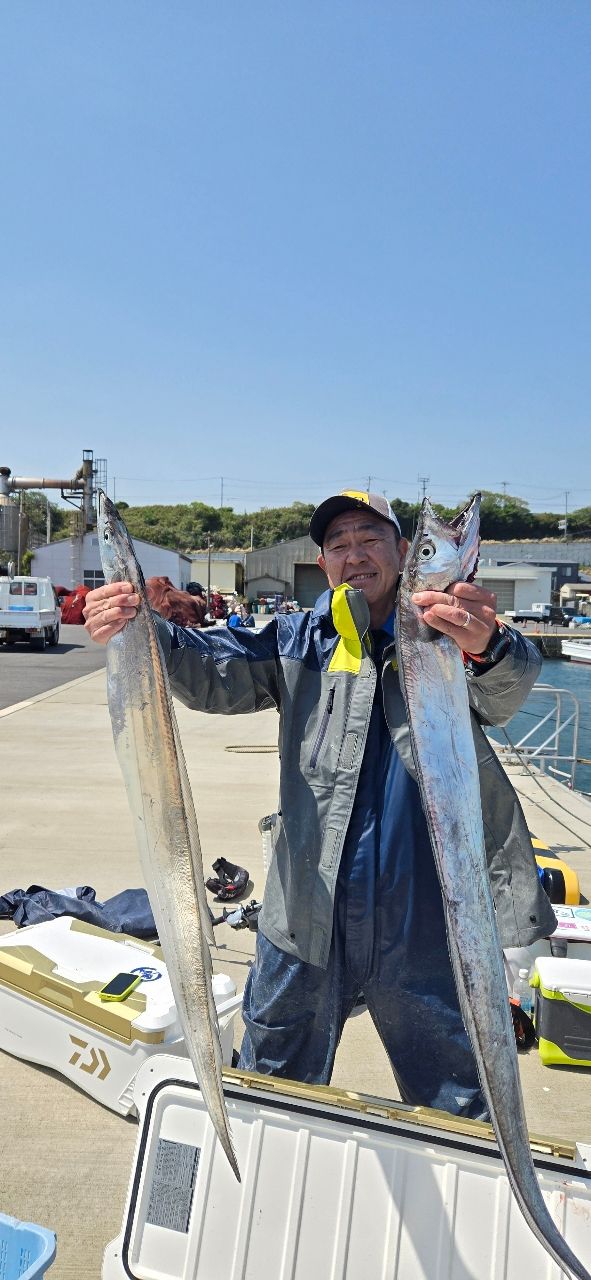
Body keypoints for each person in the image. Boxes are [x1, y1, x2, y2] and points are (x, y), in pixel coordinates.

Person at [83, 489, 555, 1118]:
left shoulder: (450, 640)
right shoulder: (300, 640)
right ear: (324, 562)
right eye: (339, 544)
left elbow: (506, 690)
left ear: (403, 551)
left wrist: (489, 644)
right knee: (270, 1092)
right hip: (305, 913)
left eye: (370, 538)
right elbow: (211, 671)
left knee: (460, 1105)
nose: (354, 554)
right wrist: (141, 629)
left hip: (429, 924)